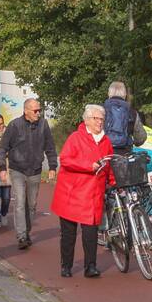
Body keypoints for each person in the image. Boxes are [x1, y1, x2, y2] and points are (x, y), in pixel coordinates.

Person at [52, 104, 115, 278]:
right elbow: (65, 160)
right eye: (96, 118)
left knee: (91, 233)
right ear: (86, 120)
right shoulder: (75, 138)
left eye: (102, 119)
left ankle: (90, 266)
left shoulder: (106, 141)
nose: (100, 122)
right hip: (72, 193)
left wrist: (114, 182)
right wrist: (88, 166)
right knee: (68, 234)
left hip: (93, 195)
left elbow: (109, 166)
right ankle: (66, 266)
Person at [0, 98, 58, 250]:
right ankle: (22, 236)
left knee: (31, 205)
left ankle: (27, 232)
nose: (38, 113)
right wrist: (3, 167)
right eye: (35, 110)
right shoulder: (14, 125)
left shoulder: (43, 125)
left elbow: (50, 147)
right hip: (17, 169)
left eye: (39, 110)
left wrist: (52, 167)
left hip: (35, 170)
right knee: (19, 203)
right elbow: (2, 147)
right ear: (26, 111)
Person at [103, 81, 146, 153]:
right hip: (125, 154)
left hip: (103, 153)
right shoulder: (132, 112)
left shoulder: (100, 109)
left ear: (109, 93)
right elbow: (141, 138)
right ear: (125, 94)